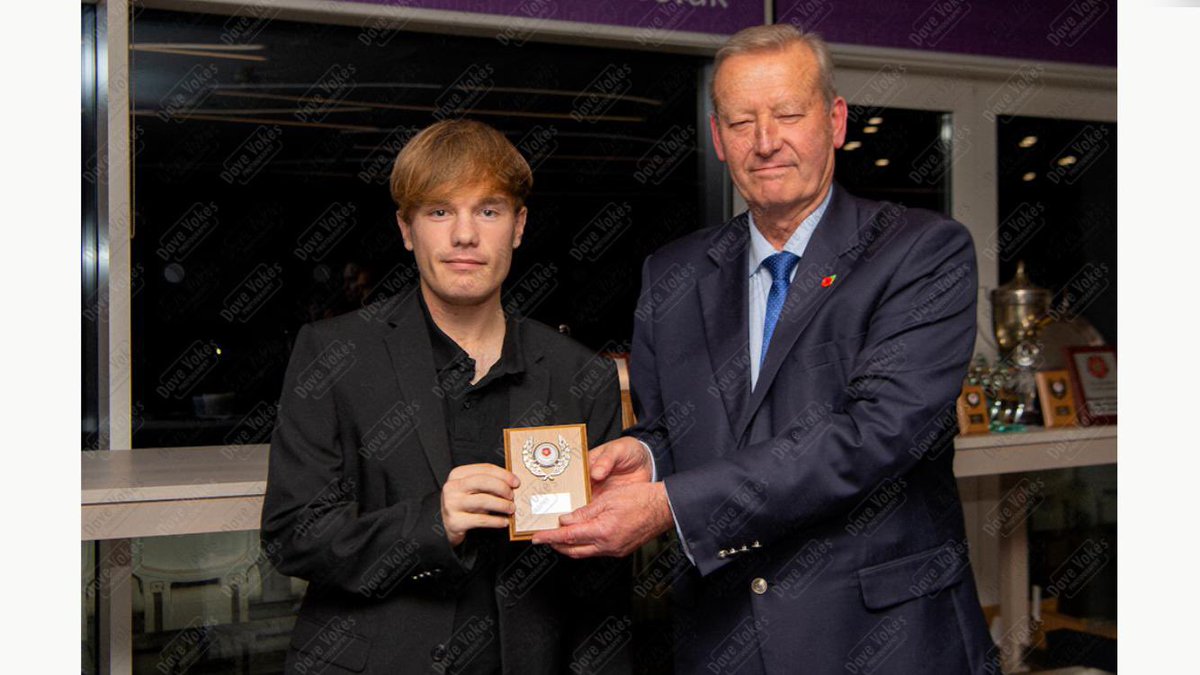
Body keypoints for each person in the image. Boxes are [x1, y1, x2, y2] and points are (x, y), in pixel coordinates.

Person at [535, 25, 999, 674]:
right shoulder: (672, 274)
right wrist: (644, 455)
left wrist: (671, 503)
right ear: (718, 137)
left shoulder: (921, 252)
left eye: (788, 114)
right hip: (725, 637)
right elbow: (674, 425)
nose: (766, 140)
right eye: (742, 120)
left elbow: (874, 435)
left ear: (835, 121)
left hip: (884, 638)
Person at [262, 119, 630, 675]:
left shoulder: (580, 376)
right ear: (407, 229)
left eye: (488, 211)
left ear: (519, 226)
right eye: (439, 211)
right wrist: (435, 522)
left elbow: (601, 587)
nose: (464, 235)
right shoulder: (335, 355)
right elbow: (294, 536)